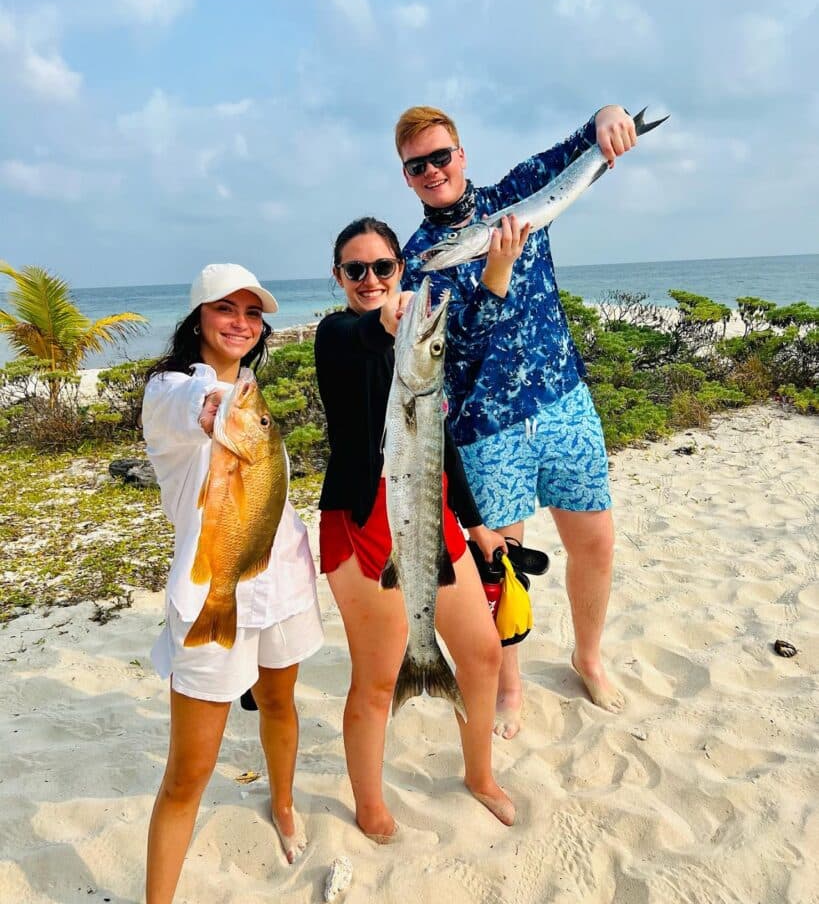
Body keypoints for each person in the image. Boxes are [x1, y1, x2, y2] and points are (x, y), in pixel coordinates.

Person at [396, 105, 637, 739]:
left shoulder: (514, 195)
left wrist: (609, 119)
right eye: (417, 165)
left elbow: (582, 150)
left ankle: (588, 657)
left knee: (597, 543)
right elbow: (456, 349)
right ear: (407, 177)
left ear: (461, 154)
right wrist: (495, 272)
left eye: (441, 156)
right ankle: (510, 687)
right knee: (499, 572)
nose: (432, 171)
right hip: (485, 424)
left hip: (563, 400)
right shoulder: (420, 258)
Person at [314, 217, 513, 843]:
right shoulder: (337, 333)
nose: (370, 279)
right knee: (376, 680)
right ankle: (369, 804)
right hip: (362, 515)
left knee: (482, 653)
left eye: (382, 268)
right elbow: (357, 339)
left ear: (400, 269)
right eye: (356, 269)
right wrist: (387, 325)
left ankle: (479, 774)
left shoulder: (415, 341)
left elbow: (438, 439)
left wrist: (479, 526)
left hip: (428, 506)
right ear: (340, 277)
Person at [141, 263, 323, 903]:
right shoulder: (171, 393)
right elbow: (190, 405)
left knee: (280, 704)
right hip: (211, 596)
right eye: (227, 310)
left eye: (253, 314)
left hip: (282, 585)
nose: (241, 323)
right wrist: (213, 403)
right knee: (187, 773)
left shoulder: (250, 391)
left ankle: (283, 803)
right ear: (198, 320)